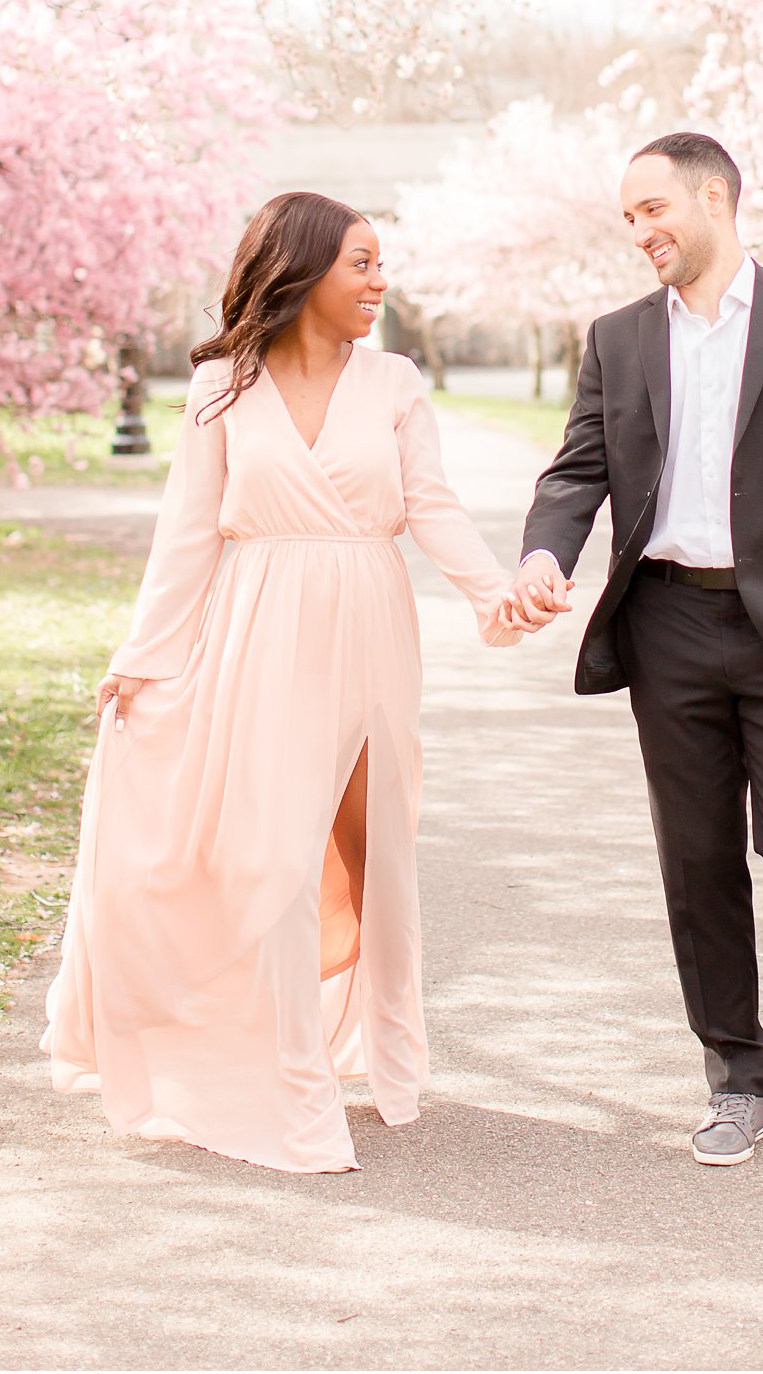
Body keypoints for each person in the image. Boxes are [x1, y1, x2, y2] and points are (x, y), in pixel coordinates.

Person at [43, 192, 528, 1173]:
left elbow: (429, 506)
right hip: (259, 627)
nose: (378, 282)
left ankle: (382, 1061)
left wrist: (496, 595)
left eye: (379, 262)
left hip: (371, 627)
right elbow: (185, 537)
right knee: (269, 865)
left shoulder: (393, 383)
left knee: (370, 853)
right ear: (303, 271)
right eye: (360, 263)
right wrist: (140, 657)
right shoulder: (221, 386)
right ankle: (289, 1087)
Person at [516, 133, 763, 1166]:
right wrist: (545, 555)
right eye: (627, 217)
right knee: (696, 863)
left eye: (651, 209)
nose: (639, 231)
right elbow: (573, 471)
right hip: (667, 625)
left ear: (713, 197)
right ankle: (735, 1076)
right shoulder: (618, 338)